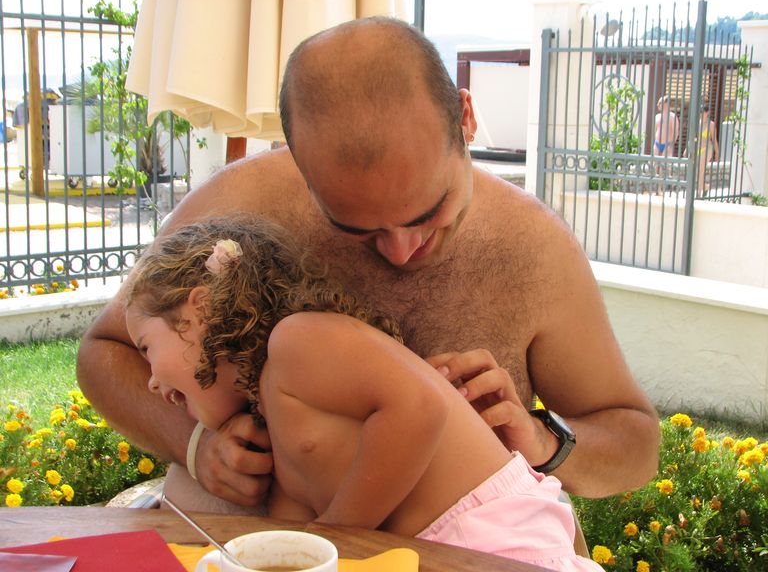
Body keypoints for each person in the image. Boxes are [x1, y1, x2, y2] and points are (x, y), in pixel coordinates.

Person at [77, 17, 660, 513]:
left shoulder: (533, 247)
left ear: (465, 118)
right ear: (298, 162)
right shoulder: (245, 202)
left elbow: (635, 443)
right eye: (355, 228)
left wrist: (542, 439)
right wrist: (196, 444)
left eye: (429, 213)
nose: (401, 250)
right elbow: (105, 352)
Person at [123, 216, 604, 571]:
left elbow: (419, 408)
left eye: (146, 348)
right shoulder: (273, 420)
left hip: (495, 539)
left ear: (200, 310)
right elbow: (294, 530)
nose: (150, 381)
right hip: (441, 551)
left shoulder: (297, 340)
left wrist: (338, 535)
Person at [689, 106, 720, 198]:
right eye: (700, 112)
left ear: (707, 113)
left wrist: (717, 153)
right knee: (698, 171)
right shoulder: (697, 123)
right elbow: (692, 138)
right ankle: (705, 187)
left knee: (700, 170)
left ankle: (698, 194)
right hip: (698, 148)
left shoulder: (711, 124)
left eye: (703, 112)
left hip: (707, 149)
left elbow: (714, 140)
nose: (701, 114)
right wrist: (687, 149)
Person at [652, 95, 680, 195]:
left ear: (666, 104)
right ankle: (657, 189)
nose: (658, 105)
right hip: (657, 144)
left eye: (660, 103)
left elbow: (676, 132)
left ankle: (670, 187)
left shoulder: (672, 117)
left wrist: (671, 144)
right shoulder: (657, 117)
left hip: (667, 144)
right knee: (656, 166)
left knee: (665, 167)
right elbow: (656, 130)